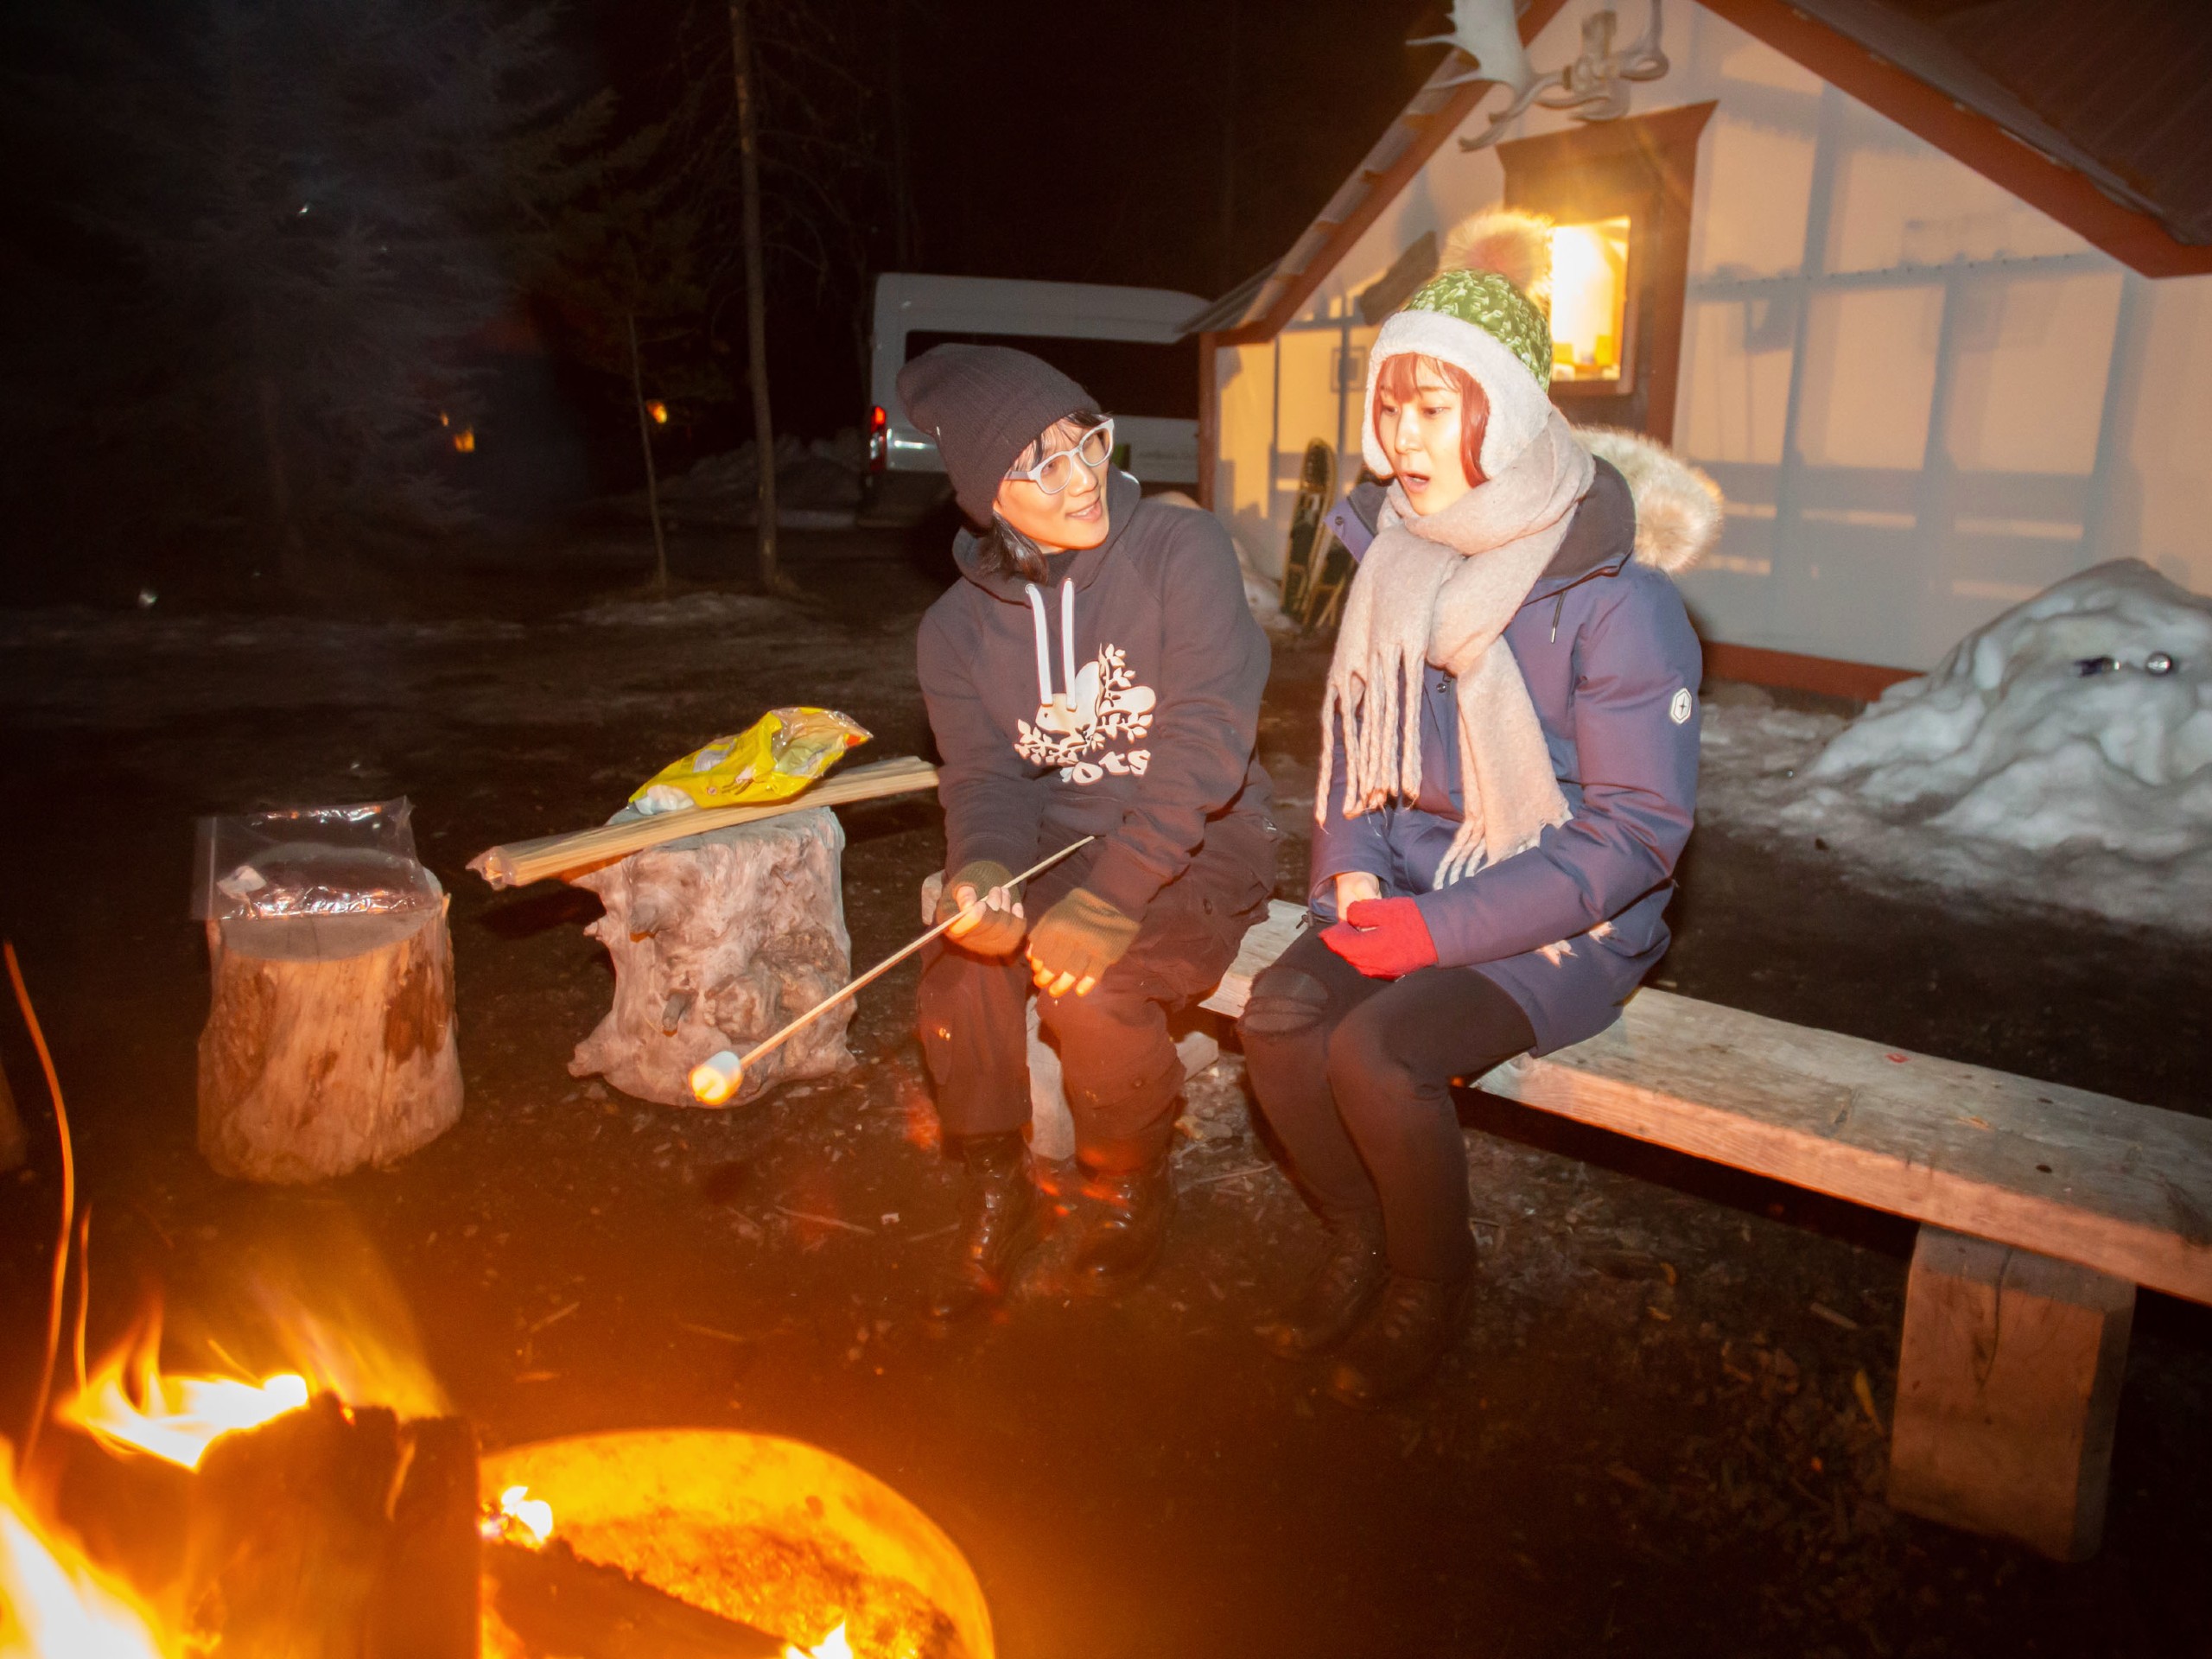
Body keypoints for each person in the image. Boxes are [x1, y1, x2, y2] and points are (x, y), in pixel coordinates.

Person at [1238, 213, 1715, 1408]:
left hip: (1565, 917)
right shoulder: (1398, 552)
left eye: (1434, 409)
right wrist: (1350, 869)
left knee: (1381, 1051)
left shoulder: (1618, 603)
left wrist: (1434, 935)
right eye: (1389, 408)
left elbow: (1637, 836)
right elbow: (1358, 742)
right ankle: (1355, 1235)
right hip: (1409, 879)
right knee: (1281, 1017)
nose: (1402, 440)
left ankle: (1428, 1280)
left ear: (1502, 411)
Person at [903, 344, 1277, 1319]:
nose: (1083, 480)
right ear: (985, 496)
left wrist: (1113, 898)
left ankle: (1126, 1184)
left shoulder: (1174, 549)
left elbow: (1205, 734)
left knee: (1094, 986)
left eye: (1088, 443)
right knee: (960, 969)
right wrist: (982, 869)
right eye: (1042, 465)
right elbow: (983, 776)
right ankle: (998, 1180)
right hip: (1061, 835)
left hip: (1204, 832)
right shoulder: (954, 631)